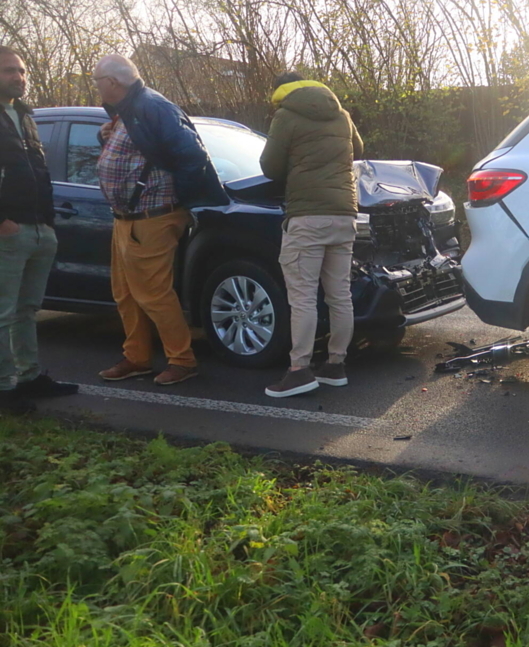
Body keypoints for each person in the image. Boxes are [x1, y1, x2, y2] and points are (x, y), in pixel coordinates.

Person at [92, 55, 229, 386]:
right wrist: (105, 136)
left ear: (112, 82)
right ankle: (137, 358)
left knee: (154, 294)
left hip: (152, 217)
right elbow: (137, 149)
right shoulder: (129, 109)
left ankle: (182, 360)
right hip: (127, 218)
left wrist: (175, 201)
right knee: (125, 293)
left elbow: (192, 156)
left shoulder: (153, 106)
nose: (96, 87)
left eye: (97, 81)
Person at [259, 71, 363, 398]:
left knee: (302, 296)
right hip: (345, 214)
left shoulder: (286, 116)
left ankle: (299, 370)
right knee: (339, 294)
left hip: (307, 215)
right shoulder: (341, 115)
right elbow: (357, 149)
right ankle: (336, 365)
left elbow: (270, 167)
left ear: (281, 93)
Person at [0, 45, 78, 415]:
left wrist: (47, 221)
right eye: (9, 70)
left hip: (39, 228)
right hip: (8, 231)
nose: (19, 76)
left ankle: (29, 377)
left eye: (21, 70)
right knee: (3, 312)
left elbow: (40, 173)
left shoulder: (24, 115)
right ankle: (4, 388)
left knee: (27, 310)